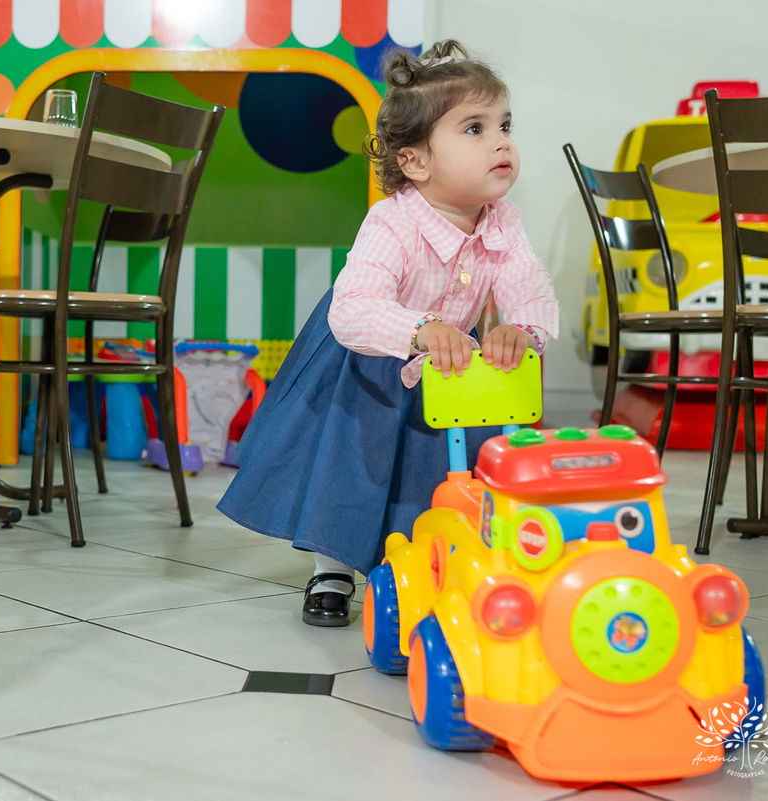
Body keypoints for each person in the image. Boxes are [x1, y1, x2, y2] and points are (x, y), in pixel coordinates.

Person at [217, 40, 560, 627]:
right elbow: (353, 308)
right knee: (353, 466)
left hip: (446, 365)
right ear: (415, 162)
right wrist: (421, 327)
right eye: (474, 129)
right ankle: (331, 567)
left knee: (436, 467)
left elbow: (529, 285)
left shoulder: (503, 223)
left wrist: (522, 331)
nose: (501, 141)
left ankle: (430, 552)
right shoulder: (392, 221)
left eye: (504, 125)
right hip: (366, 359)